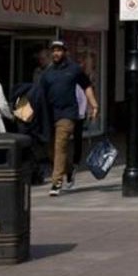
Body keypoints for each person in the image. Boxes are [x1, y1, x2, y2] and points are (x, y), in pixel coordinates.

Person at [39, 40, 98, 196]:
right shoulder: (47, 73)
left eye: (59, 50)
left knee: (61, 145)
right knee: (52, 150)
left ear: (65, 52)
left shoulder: (74, 69)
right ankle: (69, 170)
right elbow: (38, 94)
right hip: (51, 114)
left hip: (67, 114)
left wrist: (93, 104)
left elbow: (86, 86)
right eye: (53, 51)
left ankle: (56, 182)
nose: (56, 53)